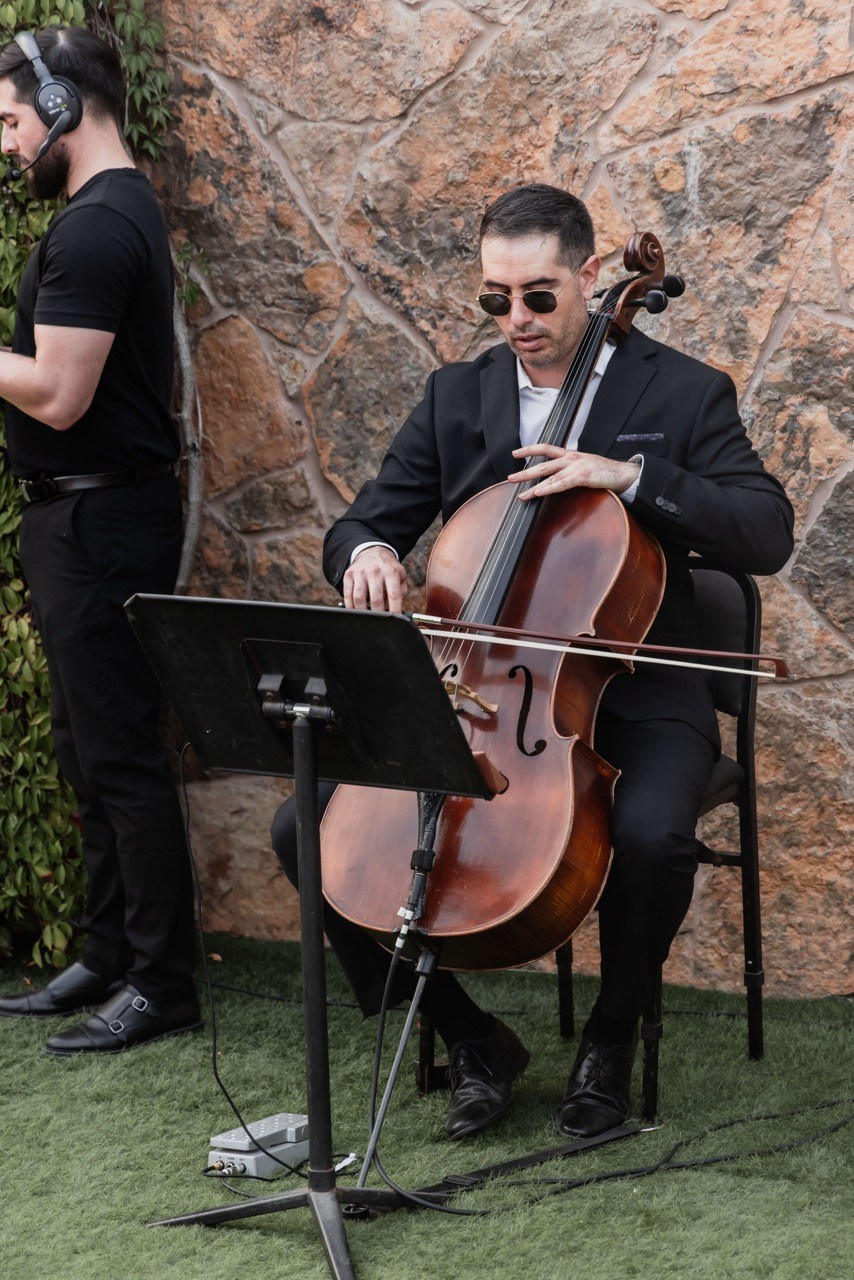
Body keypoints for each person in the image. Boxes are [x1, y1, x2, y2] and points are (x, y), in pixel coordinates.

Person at [272, 183, 794, 1139]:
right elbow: (361, 520)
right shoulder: (457, 395)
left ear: (592, 278)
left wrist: (629, 477)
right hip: (479, 686)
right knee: (304, 828)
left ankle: (610, 1034)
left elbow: (766, 530)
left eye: (539, 297)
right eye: (494, 300)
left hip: (634, 684)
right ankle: (471, 1038)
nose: (516, 321)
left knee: (650, 835)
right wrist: (370, 554)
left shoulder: (679, 391)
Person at [0, 27, 200, 1054]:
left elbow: (60, 393)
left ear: (64, 107)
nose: (6, 142)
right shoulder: (108, 214)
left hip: (99, 515)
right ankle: (107, 948)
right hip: (82, 513)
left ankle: (163, 981)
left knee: (119, 753)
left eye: (10, 119)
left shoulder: (93, 228)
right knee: (88, 744)